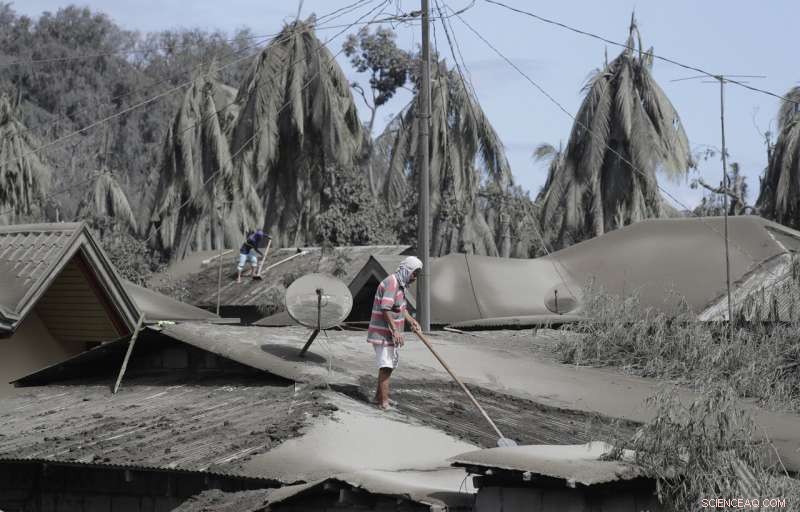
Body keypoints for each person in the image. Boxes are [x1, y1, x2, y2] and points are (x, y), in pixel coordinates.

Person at [367, 255, 423, 410]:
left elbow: (400, 309)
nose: (414, 278)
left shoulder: (401, 285)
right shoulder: (392, 283)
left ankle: (379, 397)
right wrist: (395, 331)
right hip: (383, 333)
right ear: (406, 270)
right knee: (386, 366)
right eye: (413, 273)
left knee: (389, 365)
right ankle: (383, 403)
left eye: (416, 275)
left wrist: (411, 321)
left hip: (390, 333)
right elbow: (385, 309)